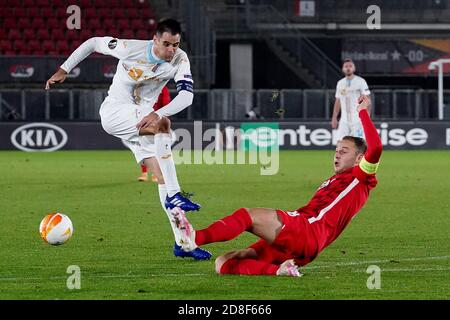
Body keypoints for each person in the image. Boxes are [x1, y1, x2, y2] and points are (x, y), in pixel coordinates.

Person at [45, 18, 211, 260]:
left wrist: (156, 112)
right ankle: (176, 192)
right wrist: (64, 69)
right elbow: (93, 43)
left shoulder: (180, 59)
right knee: (163, 126)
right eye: (167, 44)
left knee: (161, 175)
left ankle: (184, 243)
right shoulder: (129, 48)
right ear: (155, 40)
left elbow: (187, 97)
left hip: (142, 118)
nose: (171, 50)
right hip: (115, 112)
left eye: (175, 44)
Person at [171, 96, 382, 276]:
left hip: (307, 230)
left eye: (344, 151)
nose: (337, 154)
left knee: (248, 216)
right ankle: (281, 270)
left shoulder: (361, 177)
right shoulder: (339, 180)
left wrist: (363, 112)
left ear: (359, 159)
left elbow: (376, 148)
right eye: (336, 150)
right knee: (224, 263)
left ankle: (194, 238)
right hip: (306, 246)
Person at [331, 59, 371, 140]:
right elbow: (338, 101)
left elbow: (368, 99)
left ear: (354, 68)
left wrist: (367, 116)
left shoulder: (361, 81)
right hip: (344, 119)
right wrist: (334, 117)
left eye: (350, 66)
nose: (348, 68)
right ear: (343, 69)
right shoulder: (340, 83)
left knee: (359, 143)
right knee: (341, 142)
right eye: (346, 66)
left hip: (357, 118)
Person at [138, 86, 171, 183]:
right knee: (144, 147)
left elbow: (166, 106)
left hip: (156, 120)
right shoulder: (143, 87)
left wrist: (162, 121)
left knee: (154, 148)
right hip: (143, 119)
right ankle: (144, 173)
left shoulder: (163, 89)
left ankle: (155, 174)